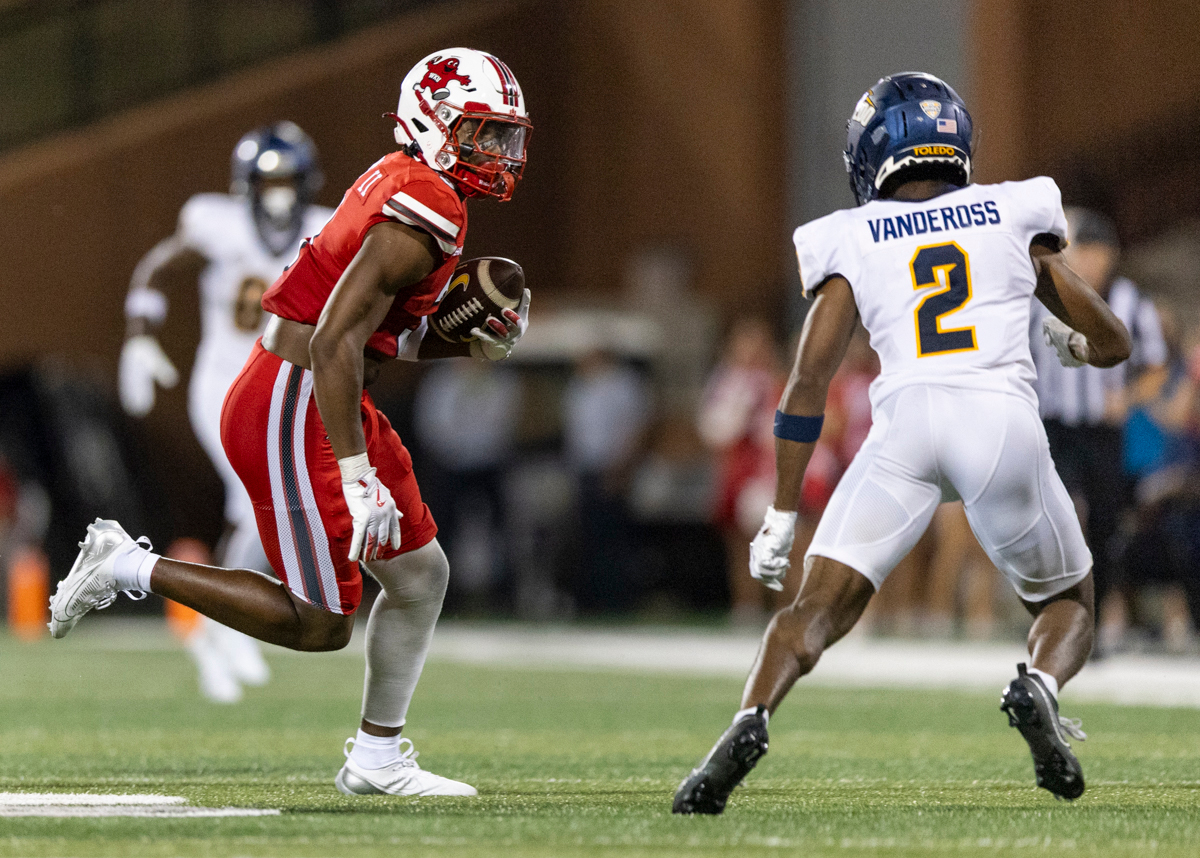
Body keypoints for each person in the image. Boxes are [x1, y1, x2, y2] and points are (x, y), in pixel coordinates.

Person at [49, 48, 533, 797]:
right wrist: (356, 472)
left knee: (418, 575)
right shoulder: (426, 201)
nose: (499, 153)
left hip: (320, 387)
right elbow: (335, 337)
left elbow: (379, 333)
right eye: (484, 132)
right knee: (321, 623)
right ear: (436, 121)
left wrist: (461, 339)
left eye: (505, 136)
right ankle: (124, 565)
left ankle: (377, 759)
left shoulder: (418, 187)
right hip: (294, 394)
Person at [673, 72, 1130, 814]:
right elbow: (1114, 342)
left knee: (812, 611)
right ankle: (1039, 687)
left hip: (905, 426)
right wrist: (1071, 344)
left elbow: (805, 385)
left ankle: (750, 718)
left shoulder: (849, 235)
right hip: (998, 419)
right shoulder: (1012, 209)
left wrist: (783, 515)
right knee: (1068, 599)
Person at [119, 121, 333, 703]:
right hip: (222, 386)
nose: (280, 194)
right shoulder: (217, 224)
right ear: (246, 187)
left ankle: (218, 630)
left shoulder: (326, 229)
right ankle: (223, 626)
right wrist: (139, 338)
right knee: (255, 498)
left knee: (274, 505)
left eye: (290, 181)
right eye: (270, 182)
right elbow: (156, 269)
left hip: (284, 389)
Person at [1027, 207, 1168, 653]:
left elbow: (1157, 367)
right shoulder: (1042, 296)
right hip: (1053, 427)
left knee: (1105, 527)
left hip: (1102, 432)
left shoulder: (1130, 301)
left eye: (1097, 251)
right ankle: (1052, 619)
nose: (1090, 261)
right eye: (1082, 250)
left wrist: (1126, 399)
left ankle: (1096, 622)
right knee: (1062, 517)